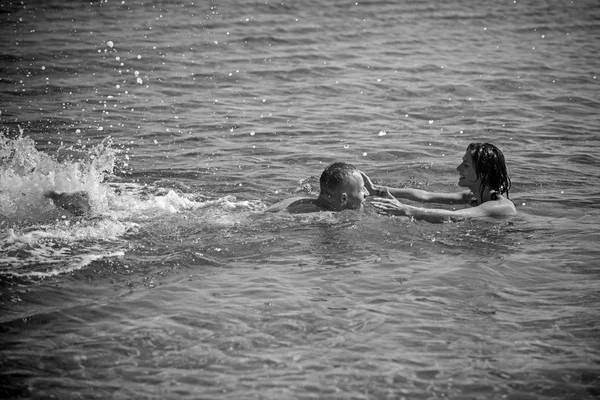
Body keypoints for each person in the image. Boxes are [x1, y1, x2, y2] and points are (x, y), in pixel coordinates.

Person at [362, 142, 516, 223]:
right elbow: (425, 196)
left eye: (466, 165)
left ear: (483, 174)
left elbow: (454, 217)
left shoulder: (499, 207)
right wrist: (376, 189)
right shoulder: (472, 197)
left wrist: (405, 210)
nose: (458, 168)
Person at [265, 161, 370, 214]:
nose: (366, 193)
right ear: (343, 198)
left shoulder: (299, 201)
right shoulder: (324, 216)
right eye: (361, 190)